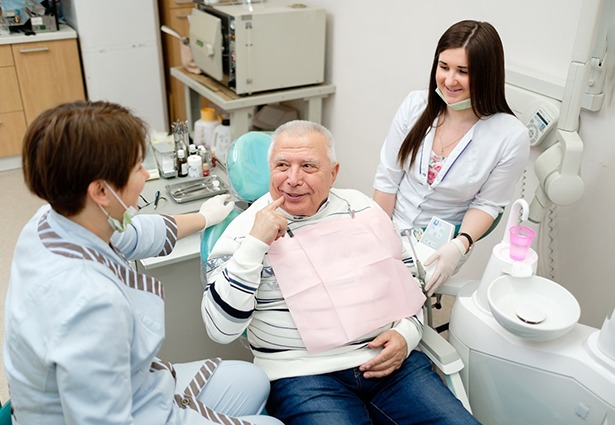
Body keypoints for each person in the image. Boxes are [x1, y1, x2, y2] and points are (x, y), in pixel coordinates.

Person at [3, 101, 283, 425]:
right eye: (137, 167)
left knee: (255, 381)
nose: (145, 174)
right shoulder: (87, 304)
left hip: (135, 384)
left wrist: (205, 217)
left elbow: (132, 233)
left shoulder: (54, 219)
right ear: (100, 191)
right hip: (118, 414)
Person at [203, 120, 480, 424]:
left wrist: (406, 334)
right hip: (302, 374)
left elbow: (407, 283)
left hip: (389, 362)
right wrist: (255, 246)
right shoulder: (242, 235)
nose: (292, 179)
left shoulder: (362, 210)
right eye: (282, 165)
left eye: (308, 166)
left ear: (333, 173)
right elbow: (221, 330)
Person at [373, 20, 530, 295]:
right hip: (389, 223)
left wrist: (460, 245)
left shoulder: (510, 136)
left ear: (487, 75)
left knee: (394, 300)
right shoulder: (415, 106)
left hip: (443, 244)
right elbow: (388, 179)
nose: (449, 80)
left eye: (463, 71)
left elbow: (488, 203)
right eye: (443, 67)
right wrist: (378, 236)